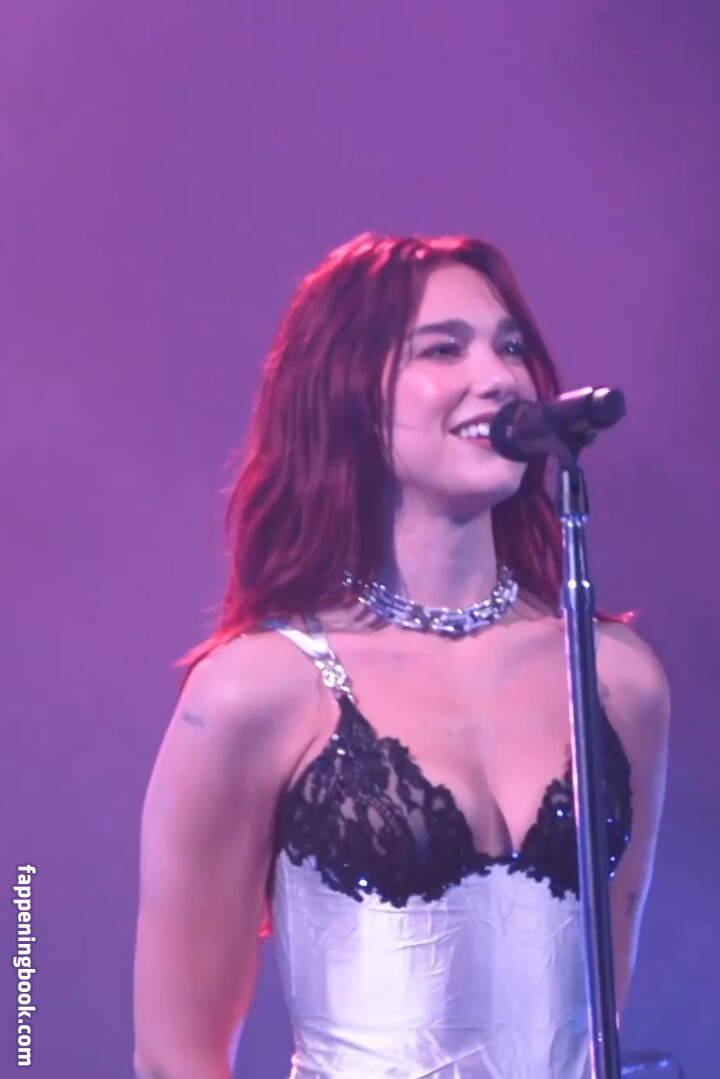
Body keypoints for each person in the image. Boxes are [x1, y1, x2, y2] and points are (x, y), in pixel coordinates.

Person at [132, 232, 671, 1079]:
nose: (498, 377)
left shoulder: (614, 676)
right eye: (443, 349)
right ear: (349, 391)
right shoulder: (257, 690)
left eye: (511, 347)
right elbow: (176, 1057)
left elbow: (600, 1008)